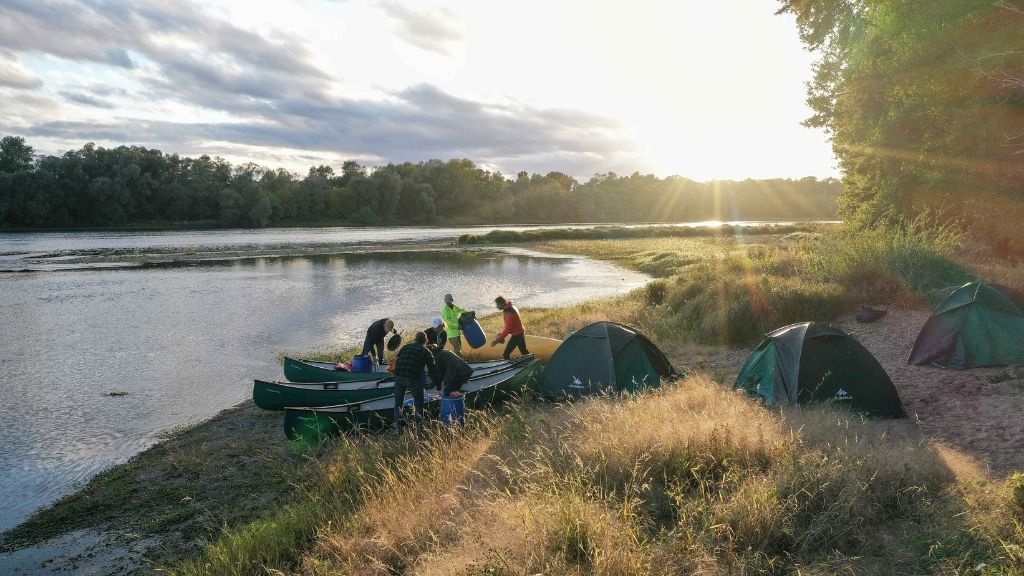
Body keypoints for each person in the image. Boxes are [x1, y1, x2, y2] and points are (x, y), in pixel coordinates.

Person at [393, 332, 435, 434]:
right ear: (426, 341)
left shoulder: (406, 347)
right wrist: (437, 383)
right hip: (413, 379)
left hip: (399, 377)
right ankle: (419, 429)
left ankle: (398, 429)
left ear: (415, 339)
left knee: (398, 403)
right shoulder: (427, 351)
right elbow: (433, 370)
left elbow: (396, 360)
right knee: (418, 402)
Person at [491, 295, 530, 360]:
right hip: (520, 332)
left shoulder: (509, 313)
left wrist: (497, 340)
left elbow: (508, 329)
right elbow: (510, 326)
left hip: (517, 335)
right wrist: (501, 334)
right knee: (524, 352)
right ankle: (532, 363)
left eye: (497, 305)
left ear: (502, 303)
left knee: (506, 354)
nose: (497, 307)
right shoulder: (510, 307)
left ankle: (509, 368)